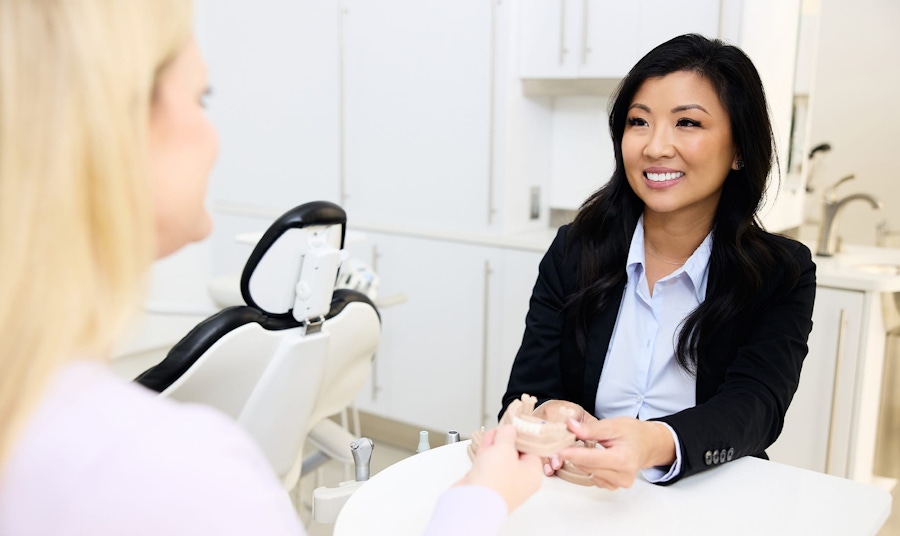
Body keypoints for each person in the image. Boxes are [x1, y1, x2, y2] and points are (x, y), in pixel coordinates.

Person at [0, 1, 541, 533]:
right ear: (116, 128)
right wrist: (480, 500)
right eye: (200, 98)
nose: (213, 137)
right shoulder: (182, 474)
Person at [502, 33, 817, 489]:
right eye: (639, 121)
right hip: (584, 496)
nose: (655, 147)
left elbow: (757, 407)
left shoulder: (779, 273)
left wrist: (654, 443)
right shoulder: (576, 251)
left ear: (740, 150)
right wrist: (549, 413)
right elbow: (526, 391)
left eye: (687, 123)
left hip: (709, 494)